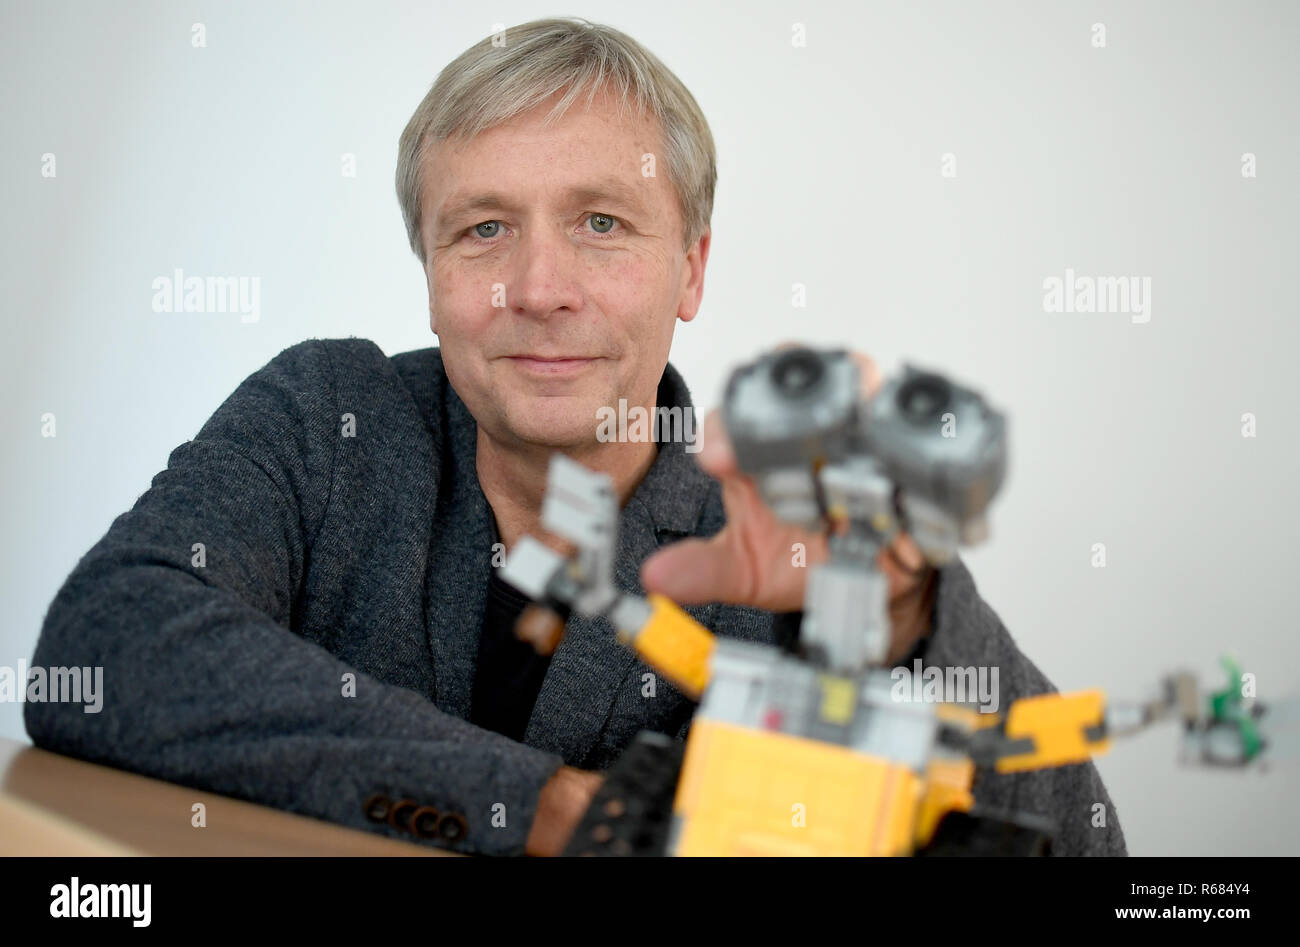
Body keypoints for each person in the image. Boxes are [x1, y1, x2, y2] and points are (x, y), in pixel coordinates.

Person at [25, 16, 1126, 857]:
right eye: (483, 227)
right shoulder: (328, 418)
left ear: (691, 269)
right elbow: (101, 647)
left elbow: (1071, 834)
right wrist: (562, 810)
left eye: (602, 224)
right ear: (429, 271)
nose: (538, 288)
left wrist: (906, 620)